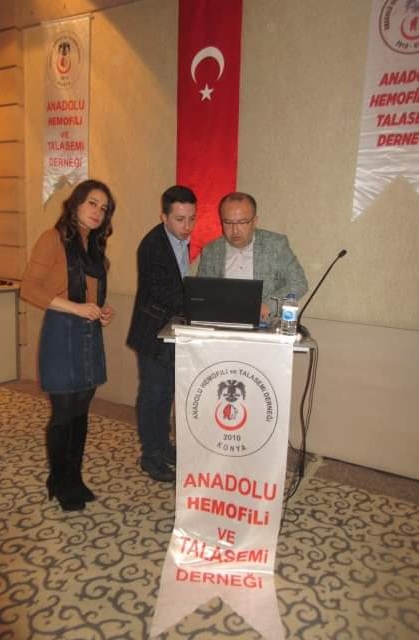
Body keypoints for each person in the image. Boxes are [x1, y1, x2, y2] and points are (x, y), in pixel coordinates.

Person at [21, 179, 116, 511]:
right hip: (61, 332)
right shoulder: (52, 239)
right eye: (92, 203)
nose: (98, 212)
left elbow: (90, 296)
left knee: (81, 412)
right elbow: (29, 289)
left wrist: (102, 311)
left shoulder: (94, 247)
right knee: (63, 413)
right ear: (76, 204)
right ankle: (60, 480)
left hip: (90, 334)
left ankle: (73, 477)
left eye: (104, 208)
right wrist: (76, 308)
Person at [127, 185, 197, 482]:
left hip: (171, 330)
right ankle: (150, 455)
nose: (187, 226)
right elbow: (162, 294)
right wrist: (200, 303)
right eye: (180, 219)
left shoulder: (180, 240)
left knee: (166, 392)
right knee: (153, 394)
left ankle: (163, 446)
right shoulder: (152, 246)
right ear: (163, 217)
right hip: (153, 332)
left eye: (192, 218)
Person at [197, 192, 308, 320]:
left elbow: (299, 283)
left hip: (265, 324)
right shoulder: (211, 250)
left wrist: (269, 305)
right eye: (227, 222)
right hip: (222, 322)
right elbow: (201, 292)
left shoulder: (276, 245)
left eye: (242, 222)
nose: (234, 230)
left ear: (255, 221)